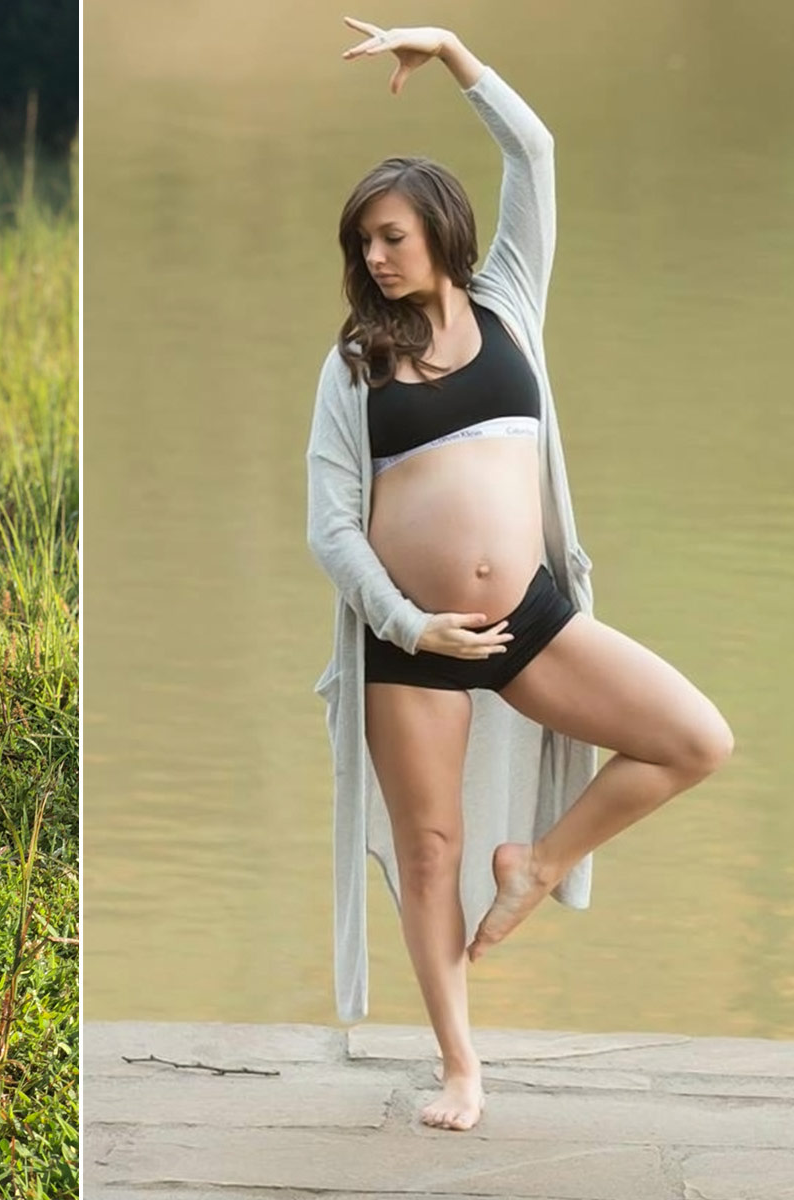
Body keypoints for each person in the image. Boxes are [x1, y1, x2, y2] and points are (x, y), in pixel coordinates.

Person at [308, 21, 733, 1130]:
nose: (378, 260)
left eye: (392, 237)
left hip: (534, 618)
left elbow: (535, 154)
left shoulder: (508, 306)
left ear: (441, 231)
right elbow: (331, 530)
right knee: (428, 849)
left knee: (694, 739)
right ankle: (460, 1067)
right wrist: (407, 619)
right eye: (364, 246)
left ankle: (537, 864)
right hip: (411, 640)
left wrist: (453, 53)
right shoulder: (356, 362)